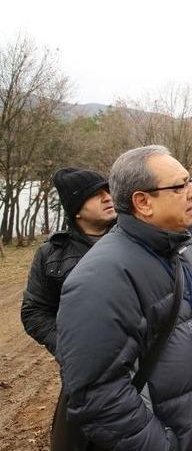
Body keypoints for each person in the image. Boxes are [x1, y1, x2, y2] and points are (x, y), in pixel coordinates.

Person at [56, 145, 192, 450]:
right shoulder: (102, 279)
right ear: (143, 202)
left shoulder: (184, 251)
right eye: (180, 185)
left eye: (190, 181)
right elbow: (99, 397)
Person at [20, 167, 116, 450]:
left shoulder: (134, 239)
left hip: (141, 367)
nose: (107, 198)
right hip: (82, 376)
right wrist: (67, 348)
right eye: (96, 195)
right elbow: (34, 311)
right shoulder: (52, 253)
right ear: (76, 209)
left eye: (107, 191)